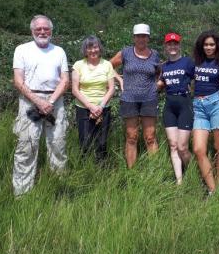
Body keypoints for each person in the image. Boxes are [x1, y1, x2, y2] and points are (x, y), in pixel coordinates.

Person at [12, 15, 69, 196]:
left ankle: (57, 191)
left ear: (51, 31)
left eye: (46, 29)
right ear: (32, 31)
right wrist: (38, 102)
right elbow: (18, 81)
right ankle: (22, 195)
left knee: (58, 147)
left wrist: (50, 102)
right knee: (26, 147)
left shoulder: (59, 51)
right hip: (29, 102)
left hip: (55, 102)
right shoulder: (22, 50)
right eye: (39, 29)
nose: (42, 32)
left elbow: (65, 80)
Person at [110, 24, 160, 168]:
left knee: (150, 137)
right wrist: (119, 80)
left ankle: (154, 172)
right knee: (131, 137)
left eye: (144, 36)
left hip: (149, 99)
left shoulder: (155, 55)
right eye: (138, 36)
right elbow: (108, 66)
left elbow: (158, 72)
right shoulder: (125, 53)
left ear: (148, 38)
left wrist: (156, 84)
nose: (141, 39)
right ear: (134, 37)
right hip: (129, 99)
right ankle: (132, 172)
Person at [192, 30, 219, 194]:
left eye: (212, 44)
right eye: (206, 44)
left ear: (217, 46)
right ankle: (212, 189)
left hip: (216, 104)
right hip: (198, 106)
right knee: (199, 149)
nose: (208, 47)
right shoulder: (196, 62)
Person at [71, 35, 116, 164]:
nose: (93, 50)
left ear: (99, 48)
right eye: (89, 48)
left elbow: (111, 88)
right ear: (85, 50)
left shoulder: (107, 64)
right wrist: (91, 107)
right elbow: (75, 89)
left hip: (103, 108)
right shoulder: (78, 65)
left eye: (95, 47)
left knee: (101, 142)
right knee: (85, 142)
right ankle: (85, 168)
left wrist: (100, 107)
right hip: (83, 108)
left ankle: (102, 170)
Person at [157, 32, 194, 184]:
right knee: (173, 145)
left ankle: (193, 172)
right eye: (169, 44)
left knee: (182, 146)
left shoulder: (187, 62)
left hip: (184, 103)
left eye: (175, 43)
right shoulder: (163, 66)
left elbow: (198, 79)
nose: (172, 46)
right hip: (170, 105)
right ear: (165, 47)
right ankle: (179, 182)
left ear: (179, 45)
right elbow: (159, 84)